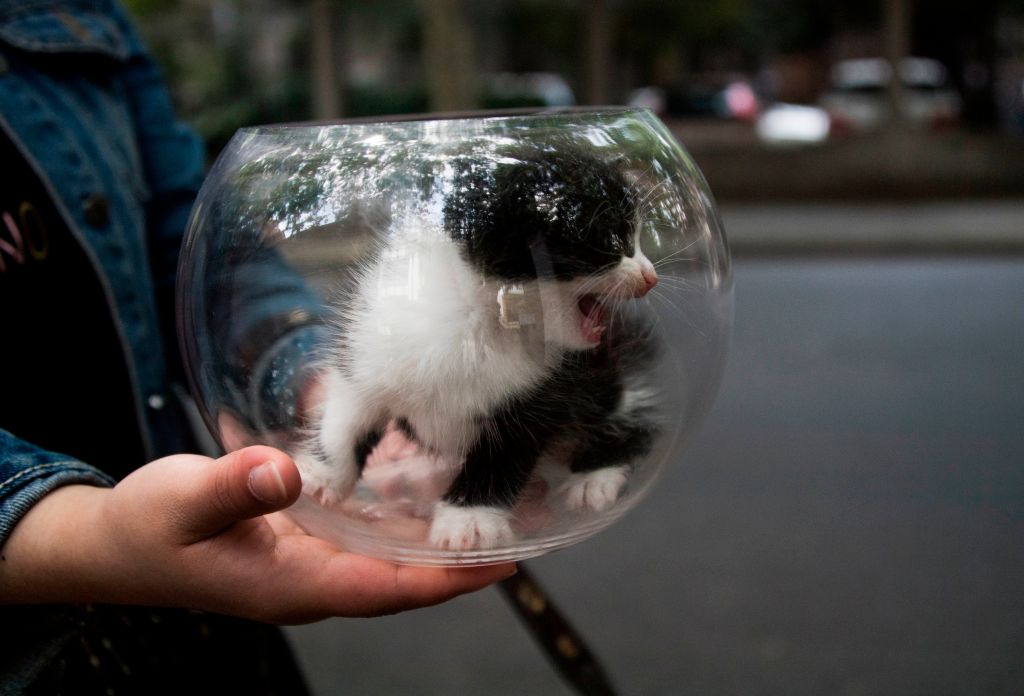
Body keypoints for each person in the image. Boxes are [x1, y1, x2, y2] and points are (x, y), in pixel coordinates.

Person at [0, 1, 514, 693]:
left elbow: (191, 243)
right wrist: (86, 535)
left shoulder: (71, 13)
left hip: (189, 576)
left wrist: (321, 387)